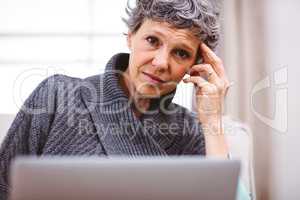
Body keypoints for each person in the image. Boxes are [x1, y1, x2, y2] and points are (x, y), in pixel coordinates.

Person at [0, 0, 250, 199]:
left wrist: (212, 120)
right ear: (130, 35)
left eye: (181, 53)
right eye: (152, 40)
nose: (161, 63)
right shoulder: (55, 95)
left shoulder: (192, 132)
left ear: (195, 65)